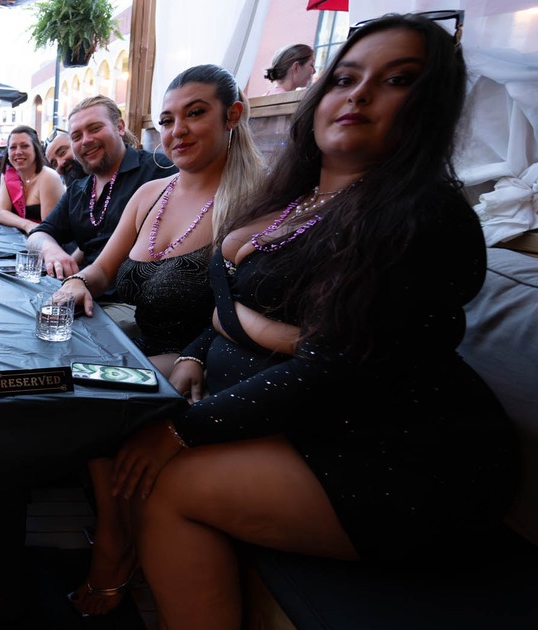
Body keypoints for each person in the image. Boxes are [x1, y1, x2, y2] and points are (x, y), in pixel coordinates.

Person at [114, 15, 520, 627]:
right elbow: (222, 306)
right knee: (121, 408)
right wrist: (202, 351)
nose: (358, 93)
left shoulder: (424, 215)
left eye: (398, 80)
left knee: (167, 481)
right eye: (346, 77)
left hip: (395, 453)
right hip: (306, 418)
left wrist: (187, 426)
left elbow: (337, 370)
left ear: (431, 106)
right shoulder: (292, 198)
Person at [58, 64, 266, 616]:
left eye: (196, 113)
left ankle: (114, 551)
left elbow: (240, 313)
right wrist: (75, 284)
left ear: (233, 116)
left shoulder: (255, 200)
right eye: (169, 119)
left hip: (202, 359)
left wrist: (193, 353)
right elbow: (101, 271)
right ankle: (116, 539)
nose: (178, 131)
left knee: (99, 408)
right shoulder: (152, 191)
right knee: (68, 391)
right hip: (135, 351)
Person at [26, 95, 177, 280]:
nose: (86, 140)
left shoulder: (158, 170)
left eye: (95, 128)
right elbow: (39, 234)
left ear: (120, 127)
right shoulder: (78, 189)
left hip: (131, 300)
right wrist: (51, 250)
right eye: (76, 136)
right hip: (87, 290)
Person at [0, 125, 66, 235]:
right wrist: (27, 225)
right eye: (13, 147)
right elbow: (2, 213)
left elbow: (49, 229)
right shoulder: (8, 175)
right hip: (19, 241)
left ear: (36, 149)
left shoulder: (48, 177)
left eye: (25, 146)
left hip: (49, 243)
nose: (18, 152)